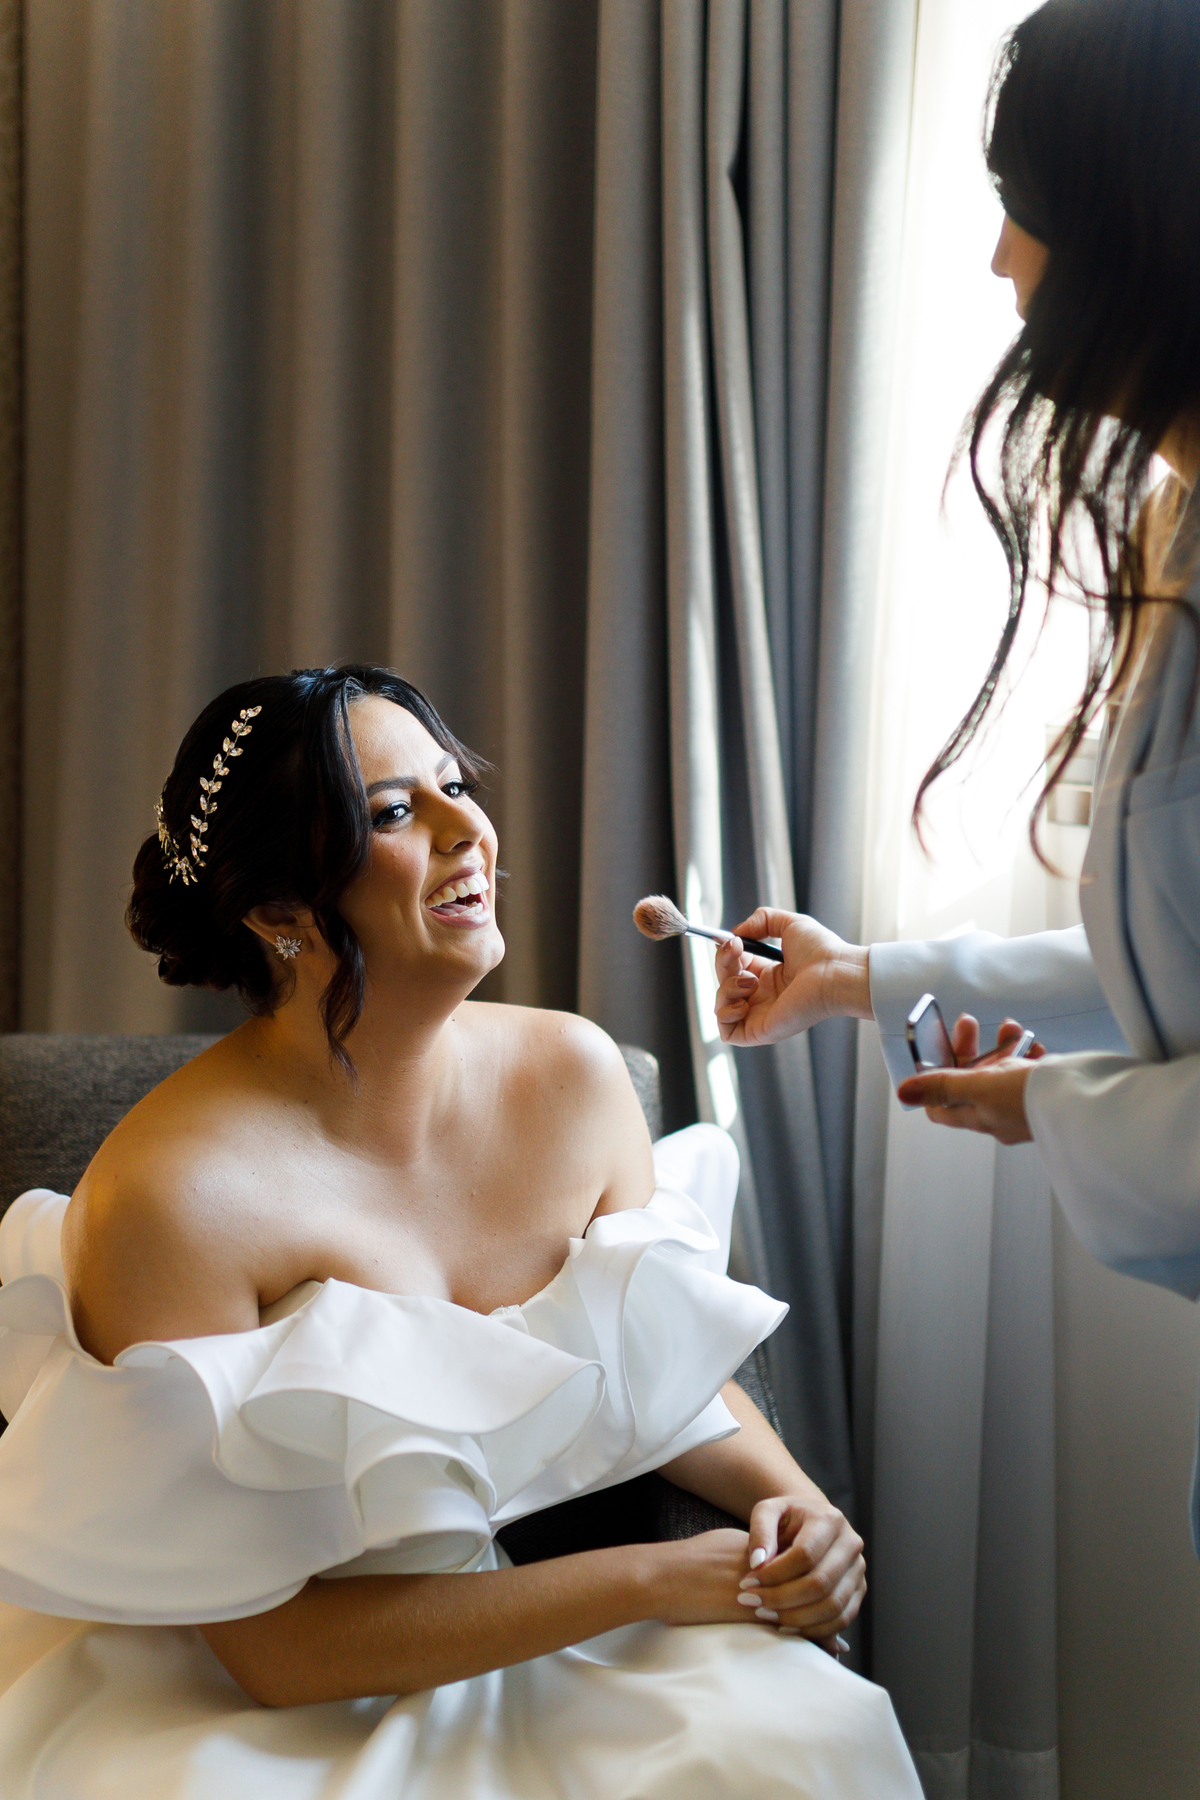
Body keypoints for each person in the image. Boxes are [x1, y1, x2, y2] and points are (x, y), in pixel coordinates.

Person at [0, 665, 921, 1798]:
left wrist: (801, 1508)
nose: (466, 829)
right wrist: (655, 1578)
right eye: (394, 811)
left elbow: (657, 1368)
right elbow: (276, 1651)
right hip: (250, 1688)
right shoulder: (172, 1202)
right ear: (279, 913)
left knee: (802, 1745)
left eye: (454, 786)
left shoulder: (573, 1077)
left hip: (532, 1627)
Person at [714, 0, 1200, 1531]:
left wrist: (1054, 1104)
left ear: (1141, 229)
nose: (1002, 263)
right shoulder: (1179, 525)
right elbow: (1180, 957)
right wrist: (862, 980)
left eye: (1025, 208)